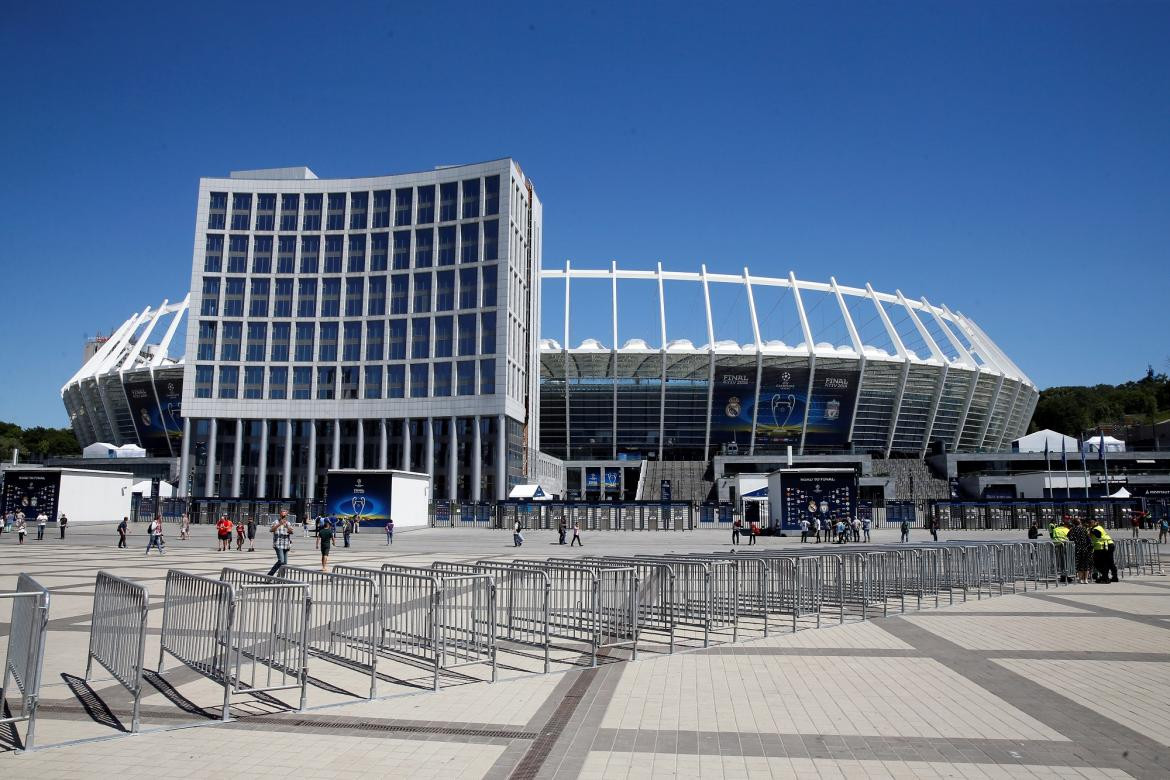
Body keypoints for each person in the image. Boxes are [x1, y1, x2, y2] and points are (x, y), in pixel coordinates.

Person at [267, 510, 294, 576]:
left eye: (285, 515)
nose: (283, 517)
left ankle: (281, 578)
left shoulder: (288, 523)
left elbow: (291, 532)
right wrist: (279, 524)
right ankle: (270, 575)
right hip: (278, 544)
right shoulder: (275, 522)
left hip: (286, 544)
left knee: (284, 563)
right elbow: (271, 530)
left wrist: (287, 526)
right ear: (280, 515)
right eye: (282, 515)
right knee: (281, 561)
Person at [1068, 517, 1093, 584]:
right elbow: (1089, 539)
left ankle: (1080, 579)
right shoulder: (1084, 529)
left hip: (1077, 548)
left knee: (1079, 564)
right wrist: (1090, 547)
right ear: (1080, 523)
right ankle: (1086, 579)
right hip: (1085, 548)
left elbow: (1069, 538)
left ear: (1073, 523)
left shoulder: (1072, 530)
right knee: (1086, 564)